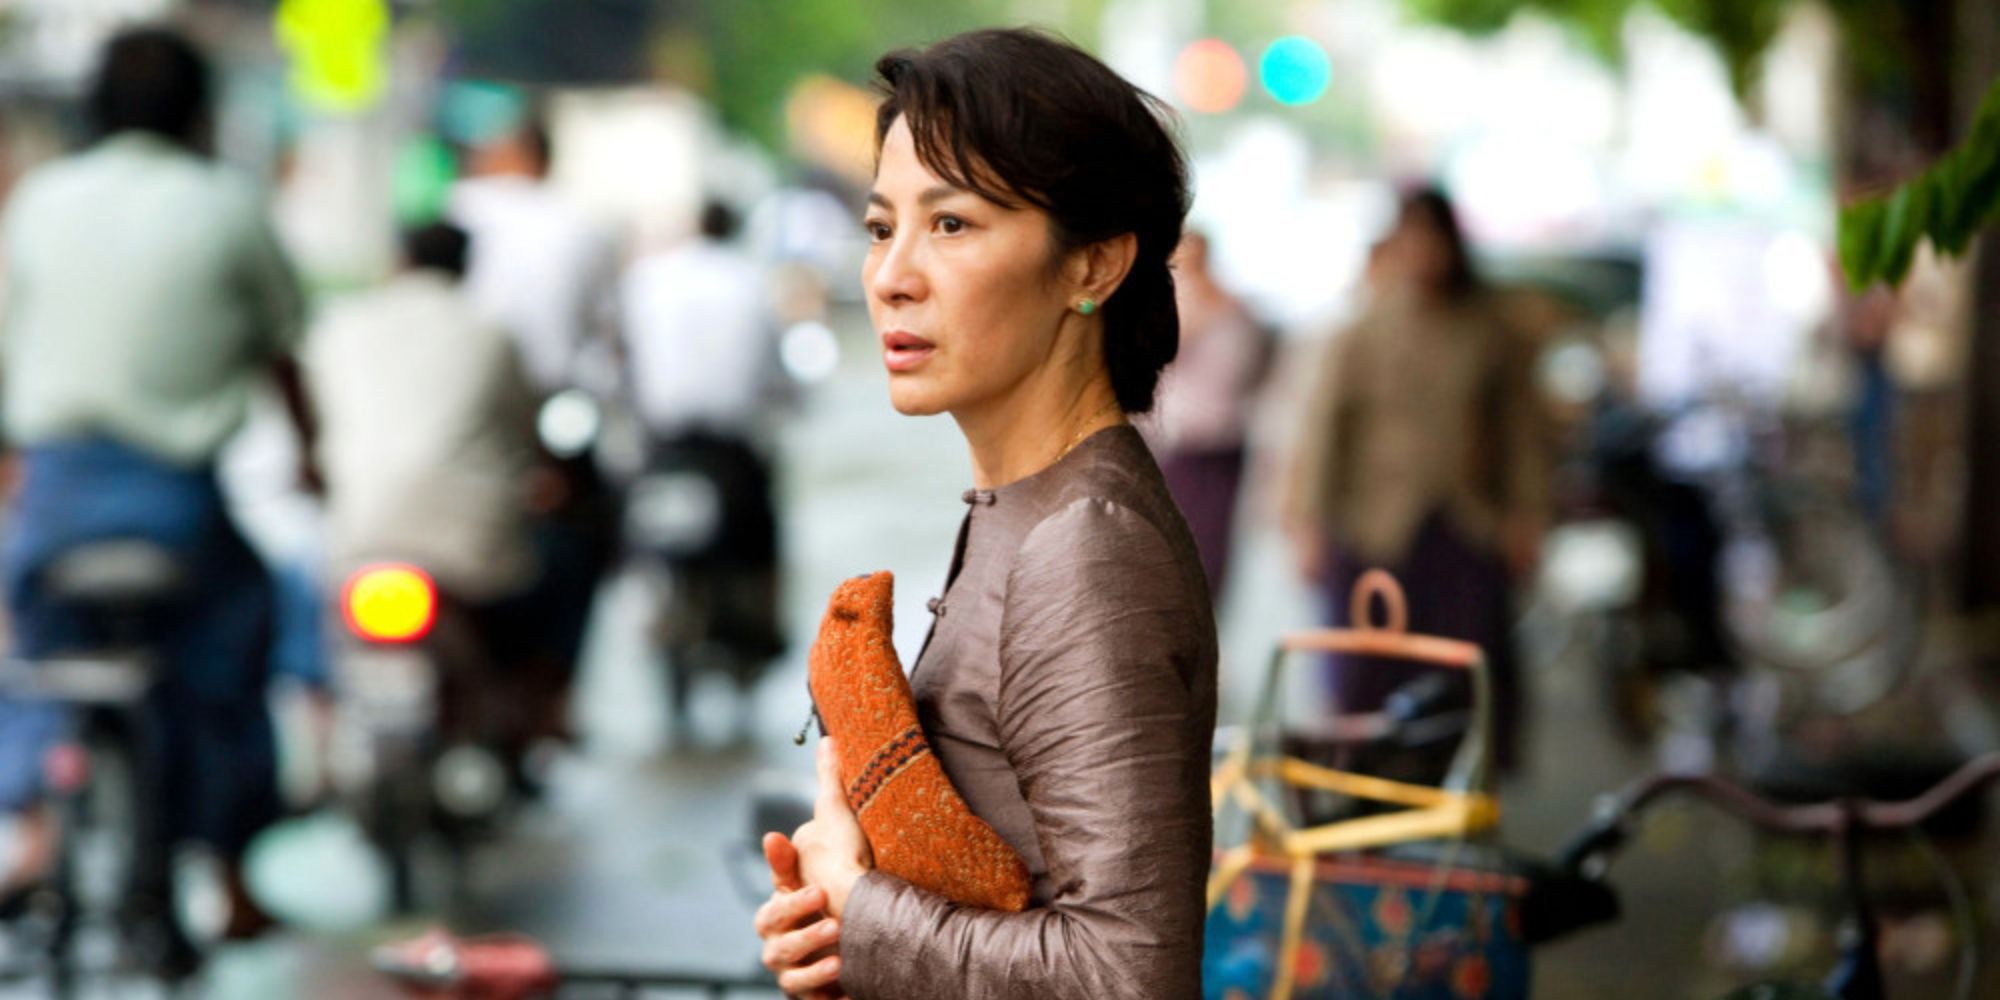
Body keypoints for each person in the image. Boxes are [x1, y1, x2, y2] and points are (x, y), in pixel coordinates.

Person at [753, 28, 1216, 1000]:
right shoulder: (1023, 503)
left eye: (952, 224)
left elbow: (1127, 970)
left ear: (1091, 266)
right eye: (881, 228)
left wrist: (859, 899)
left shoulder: (1086, 546)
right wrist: (844, 939)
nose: (890, 276)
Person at [0, 26, 312, 950]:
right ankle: (230, 869)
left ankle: (32, 831)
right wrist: (313, 452)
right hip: (176, 505)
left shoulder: (39, 203)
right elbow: (283, 354)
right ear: (199, 111)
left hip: (54, 499)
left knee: (34, 654)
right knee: (243, 629)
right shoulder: (226, 204)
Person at [1283, 186, 1546, 774]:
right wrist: (1307, 524)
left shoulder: (1488, 332)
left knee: (1461, 680)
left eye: (1435, 237)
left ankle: (1449, 810)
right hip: (1375, 529)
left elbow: (1521, 435)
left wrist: (1527, 518)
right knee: (1366, 686)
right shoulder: (1361, 332)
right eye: (1413, 237)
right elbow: (1323, 433)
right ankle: (1361, 812)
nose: (1425, 251)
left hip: (1464, 527)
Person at [619, 199, 786, 735]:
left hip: (661, 447)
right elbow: (775, 371)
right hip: (727, 450)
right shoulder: (750, 280)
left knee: (633, 547)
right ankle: (758, 631)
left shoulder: (647, 280)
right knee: (759, 545)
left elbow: (616, 361)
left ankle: (657, 616)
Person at [448, 116, 620, 398]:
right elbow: (605, 318)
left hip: (475, 382)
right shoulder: (585, 221)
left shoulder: (463, 205)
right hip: (557, 387)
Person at [1143, 230, 1270, 606]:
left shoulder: (1234, 308)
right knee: (1175, 542)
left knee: (1214, 547)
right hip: (1182, 442)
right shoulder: (1174, 305)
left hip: (1223, 439)